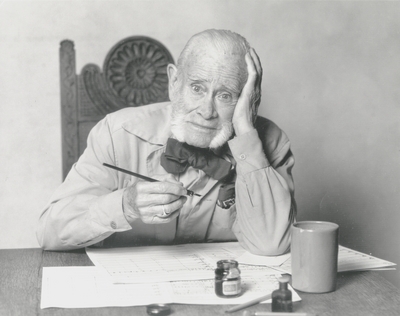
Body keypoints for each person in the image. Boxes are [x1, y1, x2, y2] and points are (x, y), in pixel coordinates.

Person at [37, 29, 296, 255]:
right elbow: (50, 231)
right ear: (174, 83)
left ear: (246, 100)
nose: (207, 111)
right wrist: (124, 204)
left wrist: (246, 133)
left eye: (225, 95)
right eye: (197, 88)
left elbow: (272, 243)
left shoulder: (270, 144)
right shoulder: (117, 134)